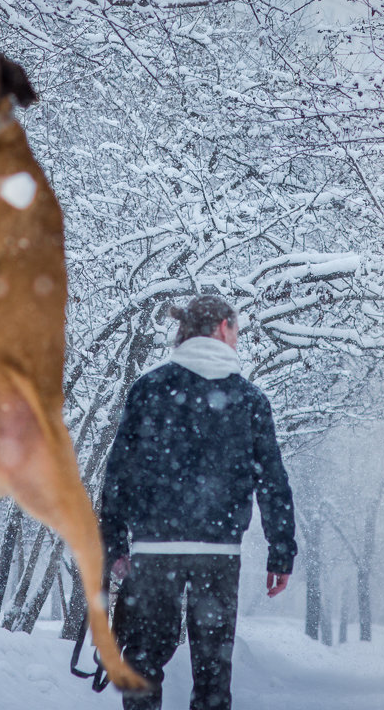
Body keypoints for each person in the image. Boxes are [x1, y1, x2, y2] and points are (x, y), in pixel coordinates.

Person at [100, 295, 297, 710]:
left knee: (143, 663)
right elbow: (273, 481)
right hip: (218, 552)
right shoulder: (248, 400)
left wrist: (114, 545)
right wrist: (281, 552)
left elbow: (119, 474)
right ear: (224, 327)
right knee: (212, 672)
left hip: (154, 552)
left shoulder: (149, 389)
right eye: (237, 332)